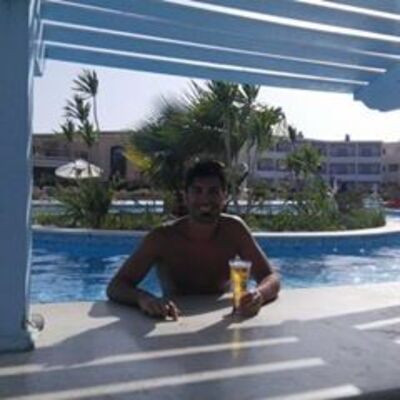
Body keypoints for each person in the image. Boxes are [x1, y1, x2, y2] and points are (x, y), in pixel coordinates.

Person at [107, 160, 280, 320]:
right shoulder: (162, 238)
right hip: (173, 321)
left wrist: (258, 295)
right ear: (186, 197)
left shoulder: (234, 230)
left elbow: (270, 277)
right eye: (197, 191)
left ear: (224, 196)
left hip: (222, 320)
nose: (205, 199)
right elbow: (116, 286)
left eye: (213, 191)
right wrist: (144, 298)